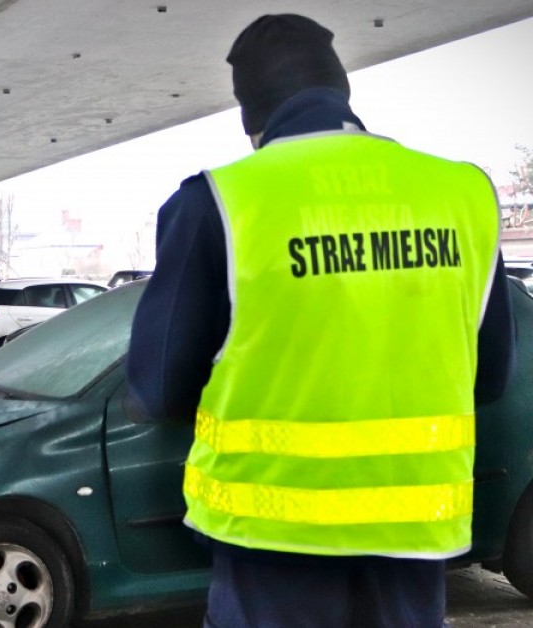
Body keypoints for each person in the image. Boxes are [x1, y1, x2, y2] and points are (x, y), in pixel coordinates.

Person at [125, 14, 515, 628]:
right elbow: (490, 376)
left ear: (252, 116)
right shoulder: (463, 193)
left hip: (270, 542)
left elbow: (159, 389)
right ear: (341, 90)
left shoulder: (218, 202)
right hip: (415, 536)